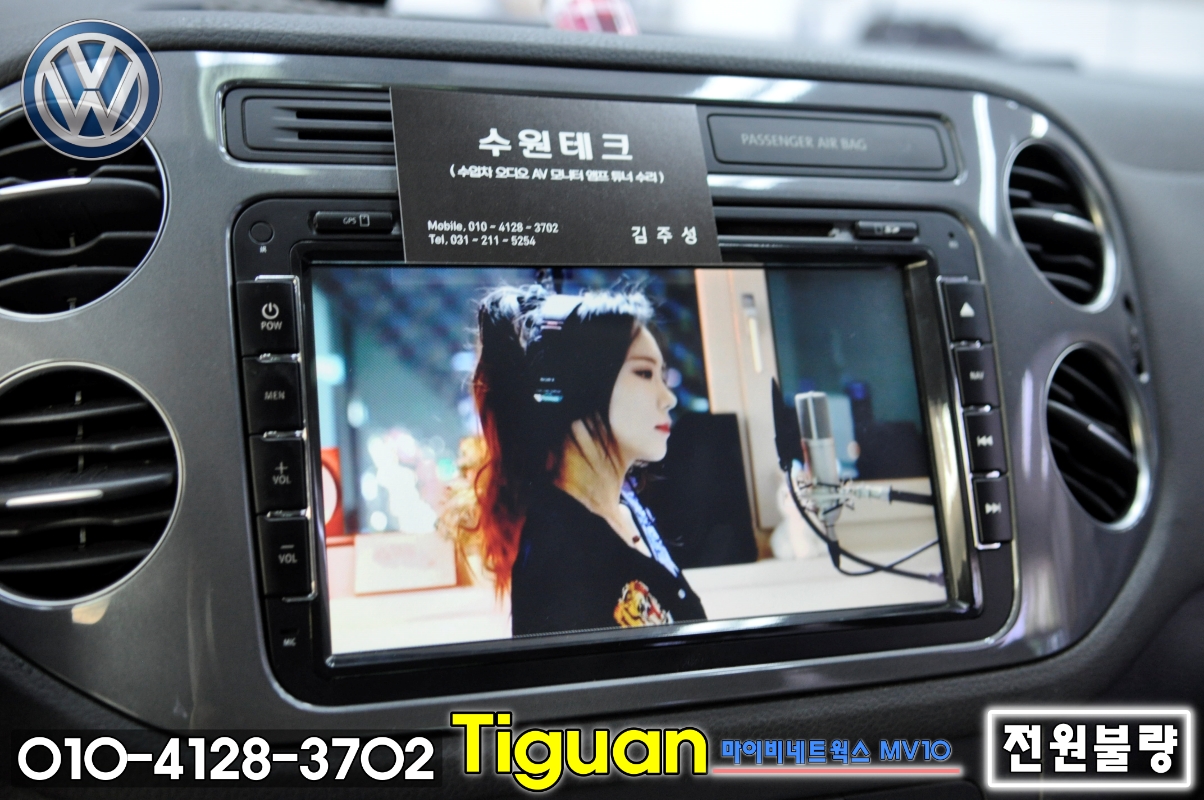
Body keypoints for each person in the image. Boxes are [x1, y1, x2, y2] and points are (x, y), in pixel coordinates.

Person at [445, 283, 706, 636]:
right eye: (644, 373)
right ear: (584, 382)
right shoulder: (558, 553)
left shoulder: (627, 512)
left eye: (662, 376)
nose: (668, 398)